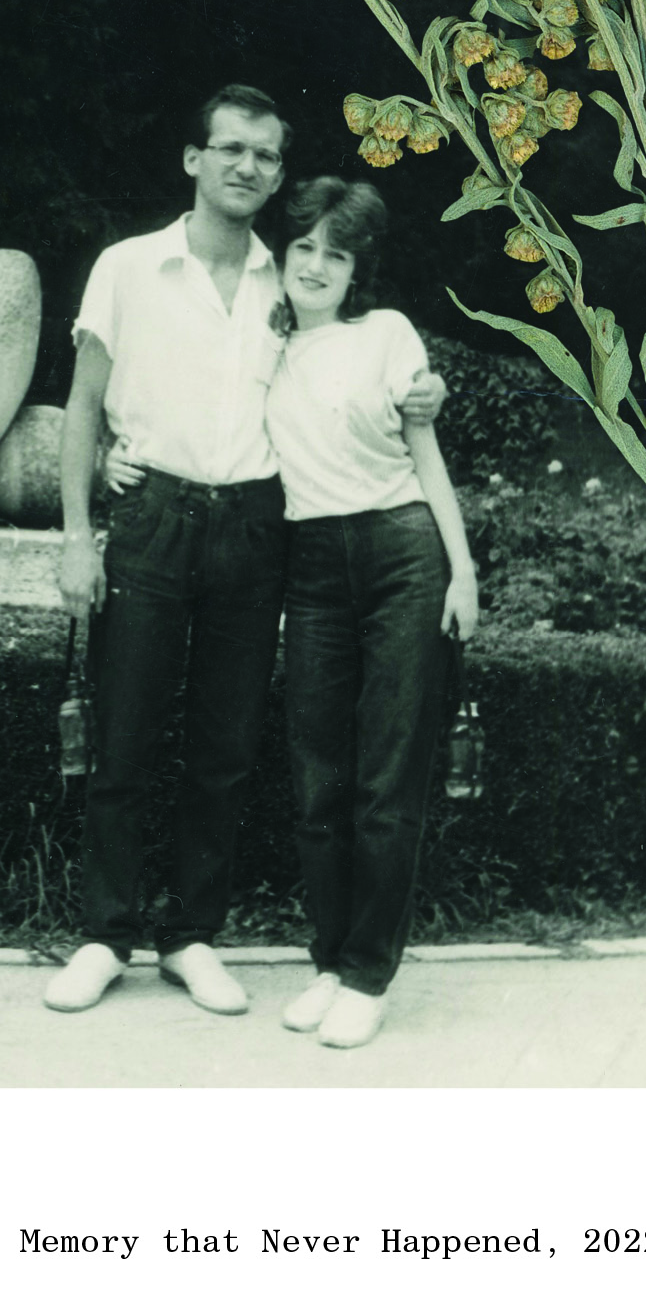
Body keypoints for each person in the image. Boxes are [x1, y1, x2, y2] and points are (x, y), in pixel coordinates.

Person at [44, 88, 446, 1018]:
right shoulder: (129, 268)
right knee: (125, 737)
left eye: (265, 156)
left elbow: (364, 367)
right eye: (229, 149)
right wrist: (77, 530)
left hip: (256, 529)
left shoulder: (292, 274)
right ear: (193, 159)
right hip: (152, 521)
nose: (246, 167)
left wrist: (425, 395)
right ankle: (105, 933)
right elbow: (82, 404)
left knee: (225, 749)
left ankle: (190, 935)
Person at [264, 177, 479, 1048]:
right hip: (310, 569)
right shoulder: (259, 345)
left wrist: (460, 572)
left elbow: (426, 461)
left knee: (387, 780)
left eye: (336, 253)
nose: (316, 265)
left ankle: (367, 975)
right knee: (319, 780)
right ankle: (327, 960)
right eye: (304, 247)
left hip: (401, 557)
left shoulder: (386, 336)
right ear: (283, 255)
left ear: (358, 271)